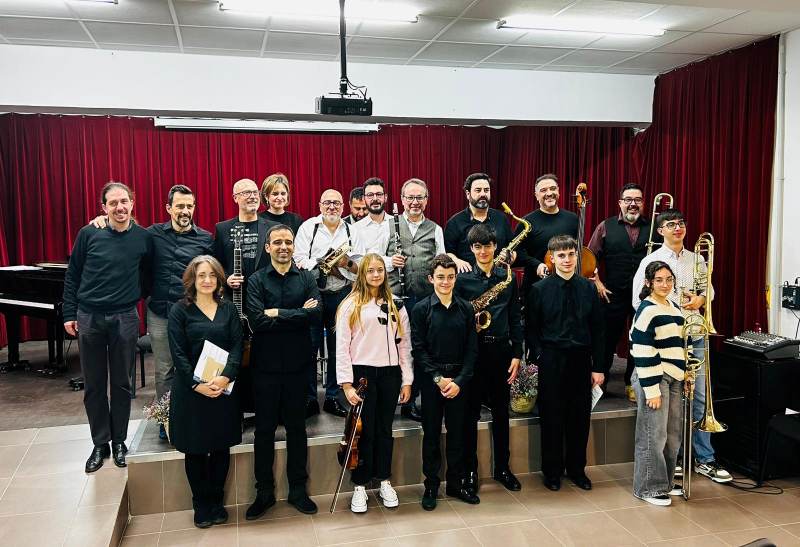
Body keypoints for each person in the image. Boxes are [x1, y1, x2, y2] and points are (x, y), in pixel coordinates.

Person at [89, 184, 214, 440]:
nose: (185, 210)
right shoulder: (151, 235)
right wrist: (102, 220)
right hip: (159, 313)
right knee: (164, 370)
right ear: (168, 208)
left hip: (193, 315)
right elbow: (122, 232)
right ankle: (167, 419)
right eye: (180, 206)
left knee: (195, 368)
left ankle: (195, 415)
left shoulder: (205, 238)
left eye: (189, 206)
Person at [631, 209, 731, 484]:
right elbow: (638, 302)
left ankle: (705, 458)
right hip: (667, 341)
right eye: (671, 224)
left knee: (700, 398)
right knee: (670, 403)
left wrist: (700, 301)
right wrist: (672, 309)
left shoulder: (696, 258)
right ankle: (672, 460)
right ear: (660, 230)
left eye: (681, 223)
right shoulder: (651, 261)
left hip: (696, 335)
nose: (678, 228)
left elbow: (708, 291)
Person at [63, 181, 153, 472]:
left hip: (125, 316)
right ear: (103, 207)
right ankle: (99, 443)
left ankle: (119, 441)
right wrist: (68, 313)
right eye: (113, 203)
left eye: (124, 201)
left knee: (122, 384)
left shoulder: (142, 237)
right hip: (89, 316)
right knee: (94, 384)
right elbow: (72, 275)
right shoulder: (89, 234)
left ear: (132, 203)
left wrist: (132, 297)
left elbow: (147, 275)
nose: (119, 207)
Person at [245, 224, 322, 519]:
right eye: (277, 242)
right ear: (267, 247)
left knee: (296, 430)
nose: (283, 247)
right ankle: (263, 492)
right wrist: (297, 314)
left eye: (288, 242)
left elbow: (315, 315)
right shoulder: (256, 280)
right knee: (263, 431)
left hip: (298, 367)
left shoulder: (305, 277)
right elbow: (257, 320)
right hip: (264, 368)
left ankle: (298, 490)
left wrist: (277, 312)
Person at [167, 255, 242, 527]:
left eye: (212, 275)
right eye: (202, 275)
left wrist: (225, 377)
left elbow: (237, 345)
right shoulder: (179, 311)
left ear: (219, 279)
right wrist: (197, 384)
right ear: (192, 280)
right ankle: (200, 504)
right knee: (196, 450)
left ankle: (217, 501)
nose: (207, 280)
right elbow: (177, 353)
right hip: (192, 392)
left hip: (222, 389)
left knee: (221, 447)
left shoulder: (228, 309)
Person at [526, 235, 604, 492]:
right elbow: (532, 329)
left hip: (581, 360)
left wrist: (599, 367)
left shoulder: (588, 288)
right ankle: (552, 472)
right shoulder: (539, 290)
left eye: (571, 254)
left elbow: (598, 329)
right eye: (561, 255)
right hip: (551, 359)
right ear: (552, 258)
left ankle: (577, 470)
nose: (567, 260)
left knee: (579, 418)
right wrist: (539, 356)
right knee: (552, 418)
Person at [336, 253, 413, 513]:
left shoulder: (396, 305)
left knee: (384, 430)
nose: (376, 275)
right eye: (370, 270)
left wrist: (407, 380)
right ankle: (359, 485)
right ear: (362, 274)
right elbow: (342, 347)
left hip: (390, 375)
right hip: (363, 374)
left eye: (380, 270)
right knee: (363, 432)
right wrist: (346, 384)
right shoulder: (350, 305)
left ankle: (383, 480)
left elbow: (405, 346)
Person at [454, 224, 523, 494]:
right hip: (473, 353)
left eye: (488, 246)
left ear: (496, 247)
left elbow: (515, 317)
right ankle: (470, 471)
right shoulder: (462, 280)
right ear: (471, 249)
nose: (484, 251)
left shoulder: (506, 276)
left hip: (501, 352)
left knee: (501, 412)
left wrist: (517, 353)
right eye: (478, 247)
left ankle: (503, 468)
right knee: (469, 415)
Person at [411, 254, 479, 510]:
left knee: (458, 434)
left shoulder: (466, 308)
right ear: (431, 279)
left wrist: (459, 381)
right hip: (433, 381)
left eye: (451, 277)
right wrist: (438, 379)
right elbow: (419, 349)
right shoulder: (421, 309)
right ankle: (431, 485)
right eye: (440, 277)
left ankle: (456, 483)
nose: (446, 282)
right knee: (431, 435)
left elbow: (472, 351)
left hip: (459, 382)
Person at [295, 189, 362, 418]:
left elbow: (360, 264)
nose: (331, 207)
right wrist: (324, 262)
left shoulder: (353, 230)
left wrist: (345, 265)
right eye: (327, 203)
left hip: (342, 294)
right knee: (309, 346)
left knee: (338, 348)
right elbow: (299, 259)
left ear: (343, 206)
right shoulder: (308, 227)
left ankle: (333, 397)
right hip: (314, 294)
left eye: (336, 203)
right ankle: (310, 399)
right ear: (319, 204)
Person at [588, 183, 658, 403]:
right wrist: (597, 282)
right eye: (628, 199)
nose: (632, 204)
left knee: (641, 341)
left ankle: (632, 383)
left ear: (643, 203)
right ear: (620, 203)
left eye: (637, 200)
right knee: (607, 340)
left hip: (645, 296)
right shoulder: (605, 227)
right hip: (613, 294)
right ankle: (601, 383)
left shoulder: (655, 227)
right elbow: (589, 258)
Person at [383, 178, 446, 422]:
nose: (414, 202)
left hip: (424, 300)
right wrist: (390, 261)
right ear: (402, 200)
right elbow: (375, 259)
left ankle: (413, 400)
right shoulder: (389, 225)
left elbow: (441, 262)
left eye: (420, 197)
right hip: (395, 298)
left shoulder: (435, 229)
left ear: (426, 200)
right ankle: (394, 401)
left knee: (419, 351)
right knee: (395, 352)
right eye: (410, 197)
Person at [213, 178, 277, 415]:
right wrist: (225, 280)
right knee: (234, 357)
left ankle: (262, 408)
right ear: (235, 198)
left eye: (254, 192)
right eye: (245, 192)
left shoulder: (270, 227)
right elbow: (215, 264)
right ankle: (234, 409)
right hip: (233, 304)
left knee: (263, 357)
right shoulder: (222, 228)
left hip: (264, 304)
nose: (252, 196)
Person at [629, 261, 685, 506]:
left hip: (674, 377)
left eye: (669, 279)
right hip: (654, 376)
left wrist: (686, 371)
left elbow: (682, 343)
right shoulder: (647, 308)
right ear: (649, 283)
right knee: (653, 434)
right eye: (659, 280)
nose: (665, 284)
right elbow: (641, 349)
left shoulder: (674, 307)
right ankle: (648, 488)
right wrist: (652, 389)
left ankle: (666, 482)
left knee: (672, 435)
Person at [514, 173, 579, 294]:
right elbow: (516, 252)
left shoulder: (573, 219)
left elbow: (578, 250)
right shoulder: (526, 222)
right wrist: (536, 264)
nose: (549, 193)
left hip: (568, 286)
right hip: (536, 285)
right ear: (536, 195)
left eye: (553, 188)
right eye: (543, 190)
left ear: (558, 191)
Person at [444, 173, 513, 273]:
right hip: (467, 279)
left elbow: (512, 248)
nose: (483, 194)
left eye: (486, 190)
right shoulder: (454, 222)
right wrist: (457, 261)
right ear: (468, 194)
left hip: (497, 277)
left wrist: (509, 256)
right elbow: (448, 252)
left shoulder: (501, 218)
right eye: (478, 190)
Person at [355, 177, 392, 257]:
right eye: (370, 195)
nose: (375, 199)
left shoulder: (397, 224)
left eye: (379, 194)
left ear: (385, 197)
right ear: (364, 199)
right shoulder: (356, 229)